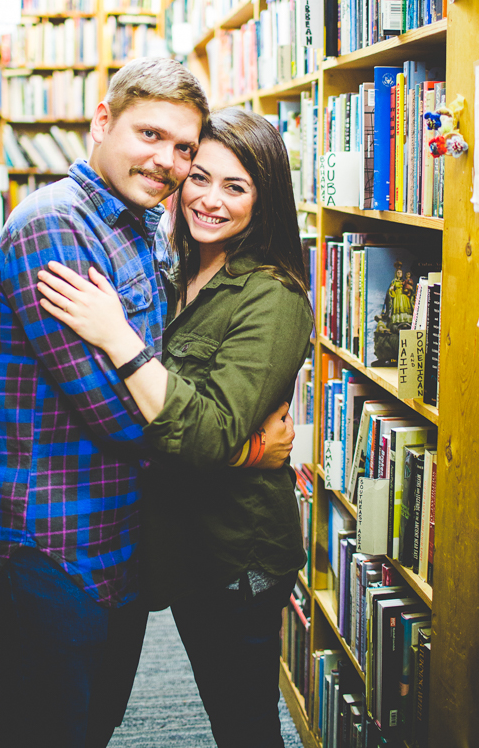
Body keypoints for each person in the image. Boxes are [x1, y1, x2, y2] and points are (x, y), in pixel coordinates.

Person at [37, 107, 313, 748]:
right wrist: (252, 450)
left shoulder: (273, 297)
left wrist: (118, 338)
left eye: (235, 187)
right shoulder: (171, 265)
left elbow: (209, 431)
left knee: (243, 725)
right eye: (200, 178)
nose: (209, 200)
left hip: (233, 554)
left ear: (264, 199)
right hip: (169, 542)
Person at [0, 58, 212, 747]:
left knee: (94, 724)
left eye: (184, 148)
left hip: (115, 533)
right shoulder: (54, 227)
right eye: (150, 134)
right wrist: (223, 436)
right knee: (48, 732)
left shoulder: (141, 221)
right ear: (102, 121)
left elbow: (155, 366)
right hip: (48, 545)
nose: (167, 162)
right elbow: (118, 413)